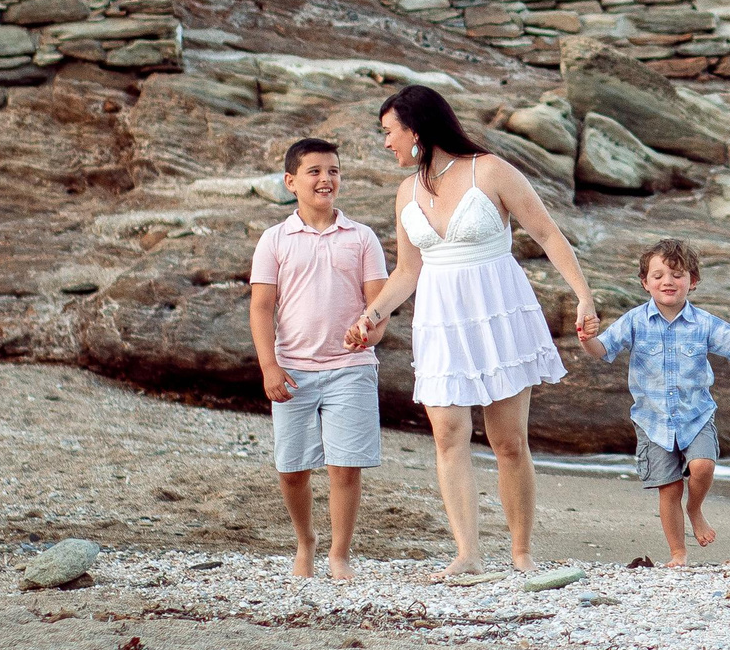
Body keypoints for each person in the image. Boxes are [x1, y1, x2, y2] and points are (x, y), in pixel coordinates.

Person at [344, 85, 597, 578]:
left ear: (416, 129)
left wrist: (584, 295)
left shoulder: (492, 170)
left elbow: (547, 233)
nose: (385, 142)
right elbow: (407, 271)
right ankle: (468, 555)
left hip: (497, 312)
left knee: (507, 441)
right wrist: (370, 316)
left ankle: (521, 552)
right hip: (440, 320)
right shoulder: (406, 192)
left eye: (388, 132)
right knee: (449, 436)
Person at [590, 238, 730, 567]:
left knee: (702, 466)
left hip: (696, 416)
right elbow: (602, 350)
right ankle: (678, 553)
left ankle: (695, 508)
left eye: (677, 275)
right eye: (659, 275)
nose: (668, 281)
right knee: (668, 490)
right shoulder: (634, 321)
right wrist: (586, 340)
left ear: (692, 282)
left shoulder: (703, 323)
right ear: (645, 283)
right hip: (652, 422)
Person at [248, 137, 390, 581]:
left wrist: (369, 330)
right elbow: (260, 308)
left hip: (350, 369)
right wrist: (269, 366)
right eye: (314, 171)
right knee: (292, 469)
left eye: (333, 170)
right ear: (291, 182)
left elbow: (379, 306)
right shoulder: (275, 239)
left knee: (344, 466)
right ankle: (305, 541)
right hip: (293, 370)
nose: (326, 179)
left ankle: (339, 554)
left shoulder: (362, 237)